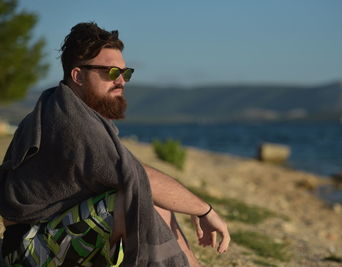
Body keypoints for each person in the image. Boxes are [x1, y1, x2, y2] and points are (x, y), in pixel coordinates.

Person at [0, 22, 230, 267]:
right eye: (111, 73)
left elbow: (134, 174)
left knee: (145, 196)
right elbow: (137, 177)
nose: (121, 81)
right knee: (135, 198)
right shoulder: (70, 124)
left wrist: (190, 206)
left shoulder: (67, 108)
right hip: (28, 251)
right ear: (78, 75)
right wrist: (204, 210)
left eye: (125, 73)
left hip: (49, 236)